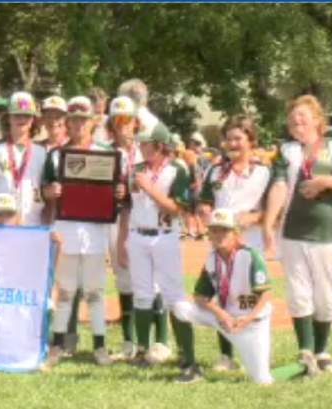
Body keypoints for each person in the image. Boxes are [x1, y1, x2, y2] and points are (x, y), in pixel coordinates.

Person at [264, 94, 332, 376]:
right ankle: (305, 351)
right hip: (293, 232)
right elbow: (279, 186)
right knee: (298, 293)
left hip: (328, 233)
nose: (296, 121)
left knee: (325, 295)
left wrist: (325, 181)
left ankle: (322, 351)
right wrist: (269, 222)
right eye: (292, 117)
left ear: (318, 120)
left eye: (302, 116)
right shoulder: (286, 151)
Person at [117, 122, 201, 383]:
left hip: (164, 235)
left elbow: (177, 209)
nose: (142, 148)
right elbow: (128, 205)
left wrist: (149, 188)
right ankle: (143, 349)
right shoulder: (136, 169)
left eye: (146, 143)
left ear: (160, 145)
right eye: (141, 143)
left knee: (174, 295)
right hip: (138, 234)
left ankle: (188, 355)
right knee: (142, 293)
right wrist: (123, 238)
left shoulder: (177, 170)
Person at [43, 96, 117, 367]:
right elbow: (45, 190)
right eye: (73, 120)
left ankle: (100, 346)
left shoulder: (105, 153)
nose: (78, 125)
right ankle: (58, 344)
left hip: (95, 229)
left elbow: (115, 191)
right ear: (67, 123)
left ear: (92, 122)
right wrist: (50, 192)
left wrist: (119, 192)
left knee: (95, 291)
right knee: (65, 291)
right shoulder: (55, 155)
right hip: (66, 227)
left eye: (83, 120)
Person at [198, 115, 271, 371]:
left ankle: (256, 352)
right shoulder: (215, 171)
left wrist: (253, 218)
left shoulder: (263, 172)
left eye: (238, 138)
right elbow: (205, 201)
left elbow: (273, 210)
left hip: (250, 241)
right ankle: (226, 355)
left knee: (253, 295)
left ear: (251, 140)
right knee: (224, 294)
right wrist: (206, 212)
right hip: (221, 241)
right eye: (228, 139)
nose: (232, 144)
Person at [180, 208, 274, 385]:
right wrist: (221, 314)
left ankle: (302, 367)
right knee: (180, 309)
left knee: (262, 380)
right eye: (215, 230)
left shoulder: (250, 255)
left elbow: (266, 294)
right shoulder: (212, 259)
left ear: (235, 233)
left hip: (252, 324)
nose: (219, 235)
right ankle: (190, 364)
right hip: (226, 321)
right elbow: (200, 296)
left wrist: (248, 318)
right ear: (209, 234)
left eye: (225, 230)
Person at [0, 92, 47, 225]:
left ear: (33, 120)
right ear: (8, 118)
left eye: (26, 116)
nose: (22, 119)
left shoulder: (42, 153)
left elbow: (47, 193)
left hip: (33, 223)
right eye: (17, 115)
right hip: (2, 223)